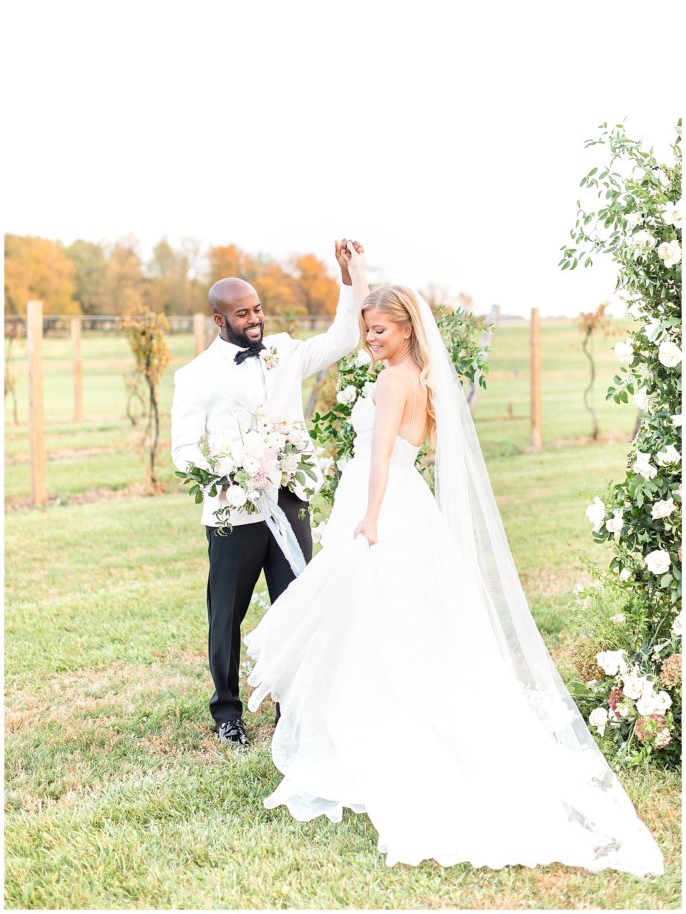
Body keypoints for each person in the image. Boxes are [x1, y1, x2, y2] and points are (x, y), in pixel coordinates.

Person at [245, 243, 665, 876]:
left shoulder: (392, 380)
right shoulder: (418, 374)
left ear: (407, 329)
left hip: (383, 502)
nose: (371, 340)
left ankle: (375, 735)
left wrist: (369, 517)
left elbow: (380, 455)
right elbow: (391, 430)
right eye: (367, 330)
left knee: (368, 621)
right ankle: (366, 722)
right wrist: (355, 279)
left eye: (380, 331)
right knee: (389, 621)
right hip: (407, 502)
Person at [170, 241, 362, 746]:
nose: (254, 319)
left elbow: (344, 337)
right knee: (226, 615)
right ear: (219, 320)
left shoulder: (285, 351)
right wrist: (230, 473)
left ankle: (291, 710)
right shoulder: (194, 377)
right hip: (233, 513)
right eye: (242, 313)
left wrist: (347, 278)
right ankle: (227, 712)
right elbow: (184, 451)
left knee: (295, 605)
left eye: (257, 309)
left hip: (289, 500)